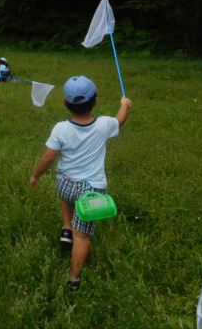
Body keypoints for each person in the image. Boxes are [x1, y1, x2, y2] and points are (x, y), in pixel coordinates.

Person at [29, 76, 132, 291]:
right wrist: (125, 105)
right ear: (95, 101)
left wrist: (35, 176)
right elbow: (120, 120)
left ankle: (67, 227)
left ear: (65, 103)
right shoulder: (104, 124)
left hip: (65, 185)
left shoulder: (60, 128)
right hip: (91, 192)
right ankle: (74, 279)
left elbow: (48, 158)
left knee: (67, 196)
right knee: (82, 235)